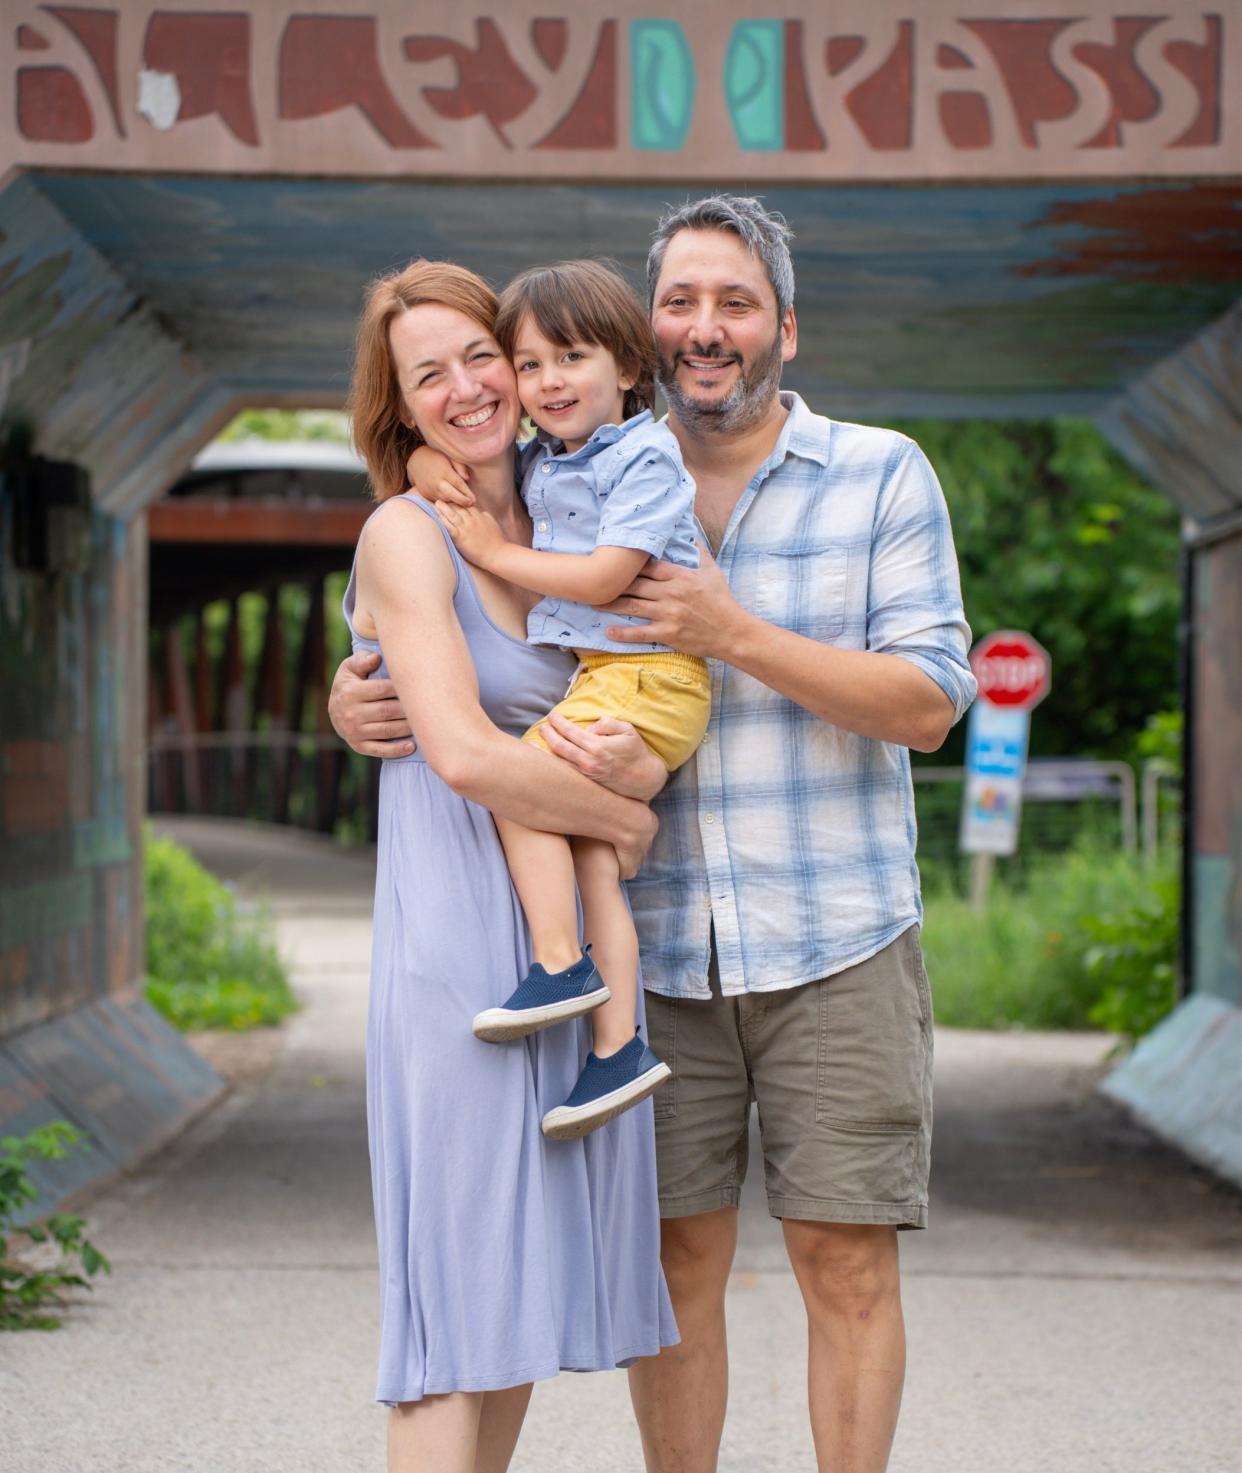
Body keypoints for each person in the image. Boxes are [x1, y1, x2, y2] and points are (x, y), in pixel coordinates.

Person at [331, 197, 976, 1473]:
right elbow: (449, 613)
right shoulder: (575, 464)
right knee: (673, 1268)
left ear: (785, 326)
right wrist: (355, 687)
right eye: (680, 300)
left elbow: (929, 702)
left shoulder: (880, 472)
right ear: (642, 330)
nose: (705, 327)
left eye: (734, 302)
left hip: (834, 930)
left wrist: (731, 633)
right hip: (659, 946)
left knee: (843, 1263)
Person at [342, 257, 677, 1473]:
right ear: (401, 410)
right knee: (450, 1314)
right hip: (460, 955)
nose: (471, 388)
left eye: (483, 355)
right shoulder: (405, 530)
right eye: (428, 376)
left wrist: (635, 778)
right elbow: (468, 755)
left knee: (516, 1306)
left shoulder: (568, 508)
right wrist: (624, 826)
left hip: (566, 955)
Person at [411, 259, 709, 1140]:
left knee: (516, 778)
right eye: (530, 365)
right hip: (612, 675)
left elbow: (609, 574)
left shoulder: (648, 455)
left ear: (626, 367)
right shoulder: (556, 453)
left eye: (571, 359)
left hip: (650, 673)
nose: (547, 383)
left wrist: (493, 555)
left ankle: (559, 962)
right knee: (587, 860)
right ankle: (618, 1051)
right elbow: (448, 448)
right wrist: (432, 465)